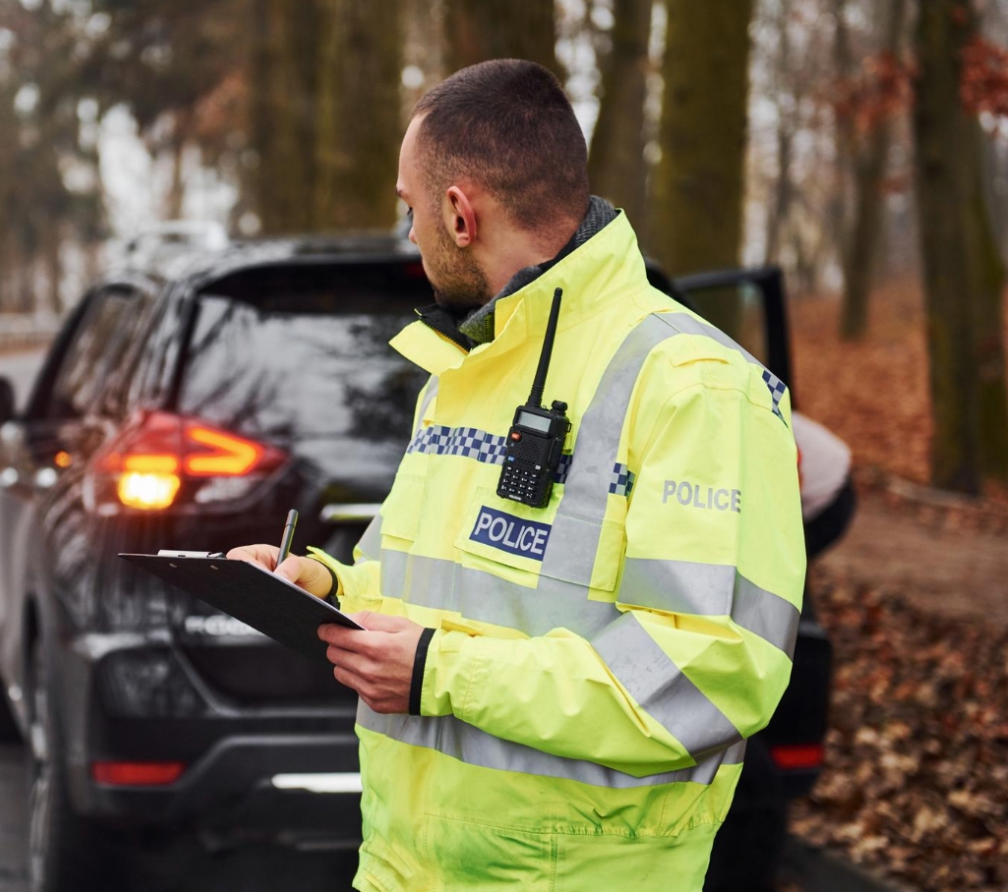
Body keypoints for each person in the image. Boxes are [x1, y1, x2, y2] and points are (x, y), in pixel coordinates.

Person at [228, 59, 805, 892]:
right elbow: (434, 596)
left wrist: (437, 672)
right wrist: (322, 586)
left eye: (409, 210)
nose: (410, 234)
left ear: (459, 213)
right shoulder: (462, 369)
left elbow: (710, 675)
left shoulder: (696, 386)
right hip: (402, 868)